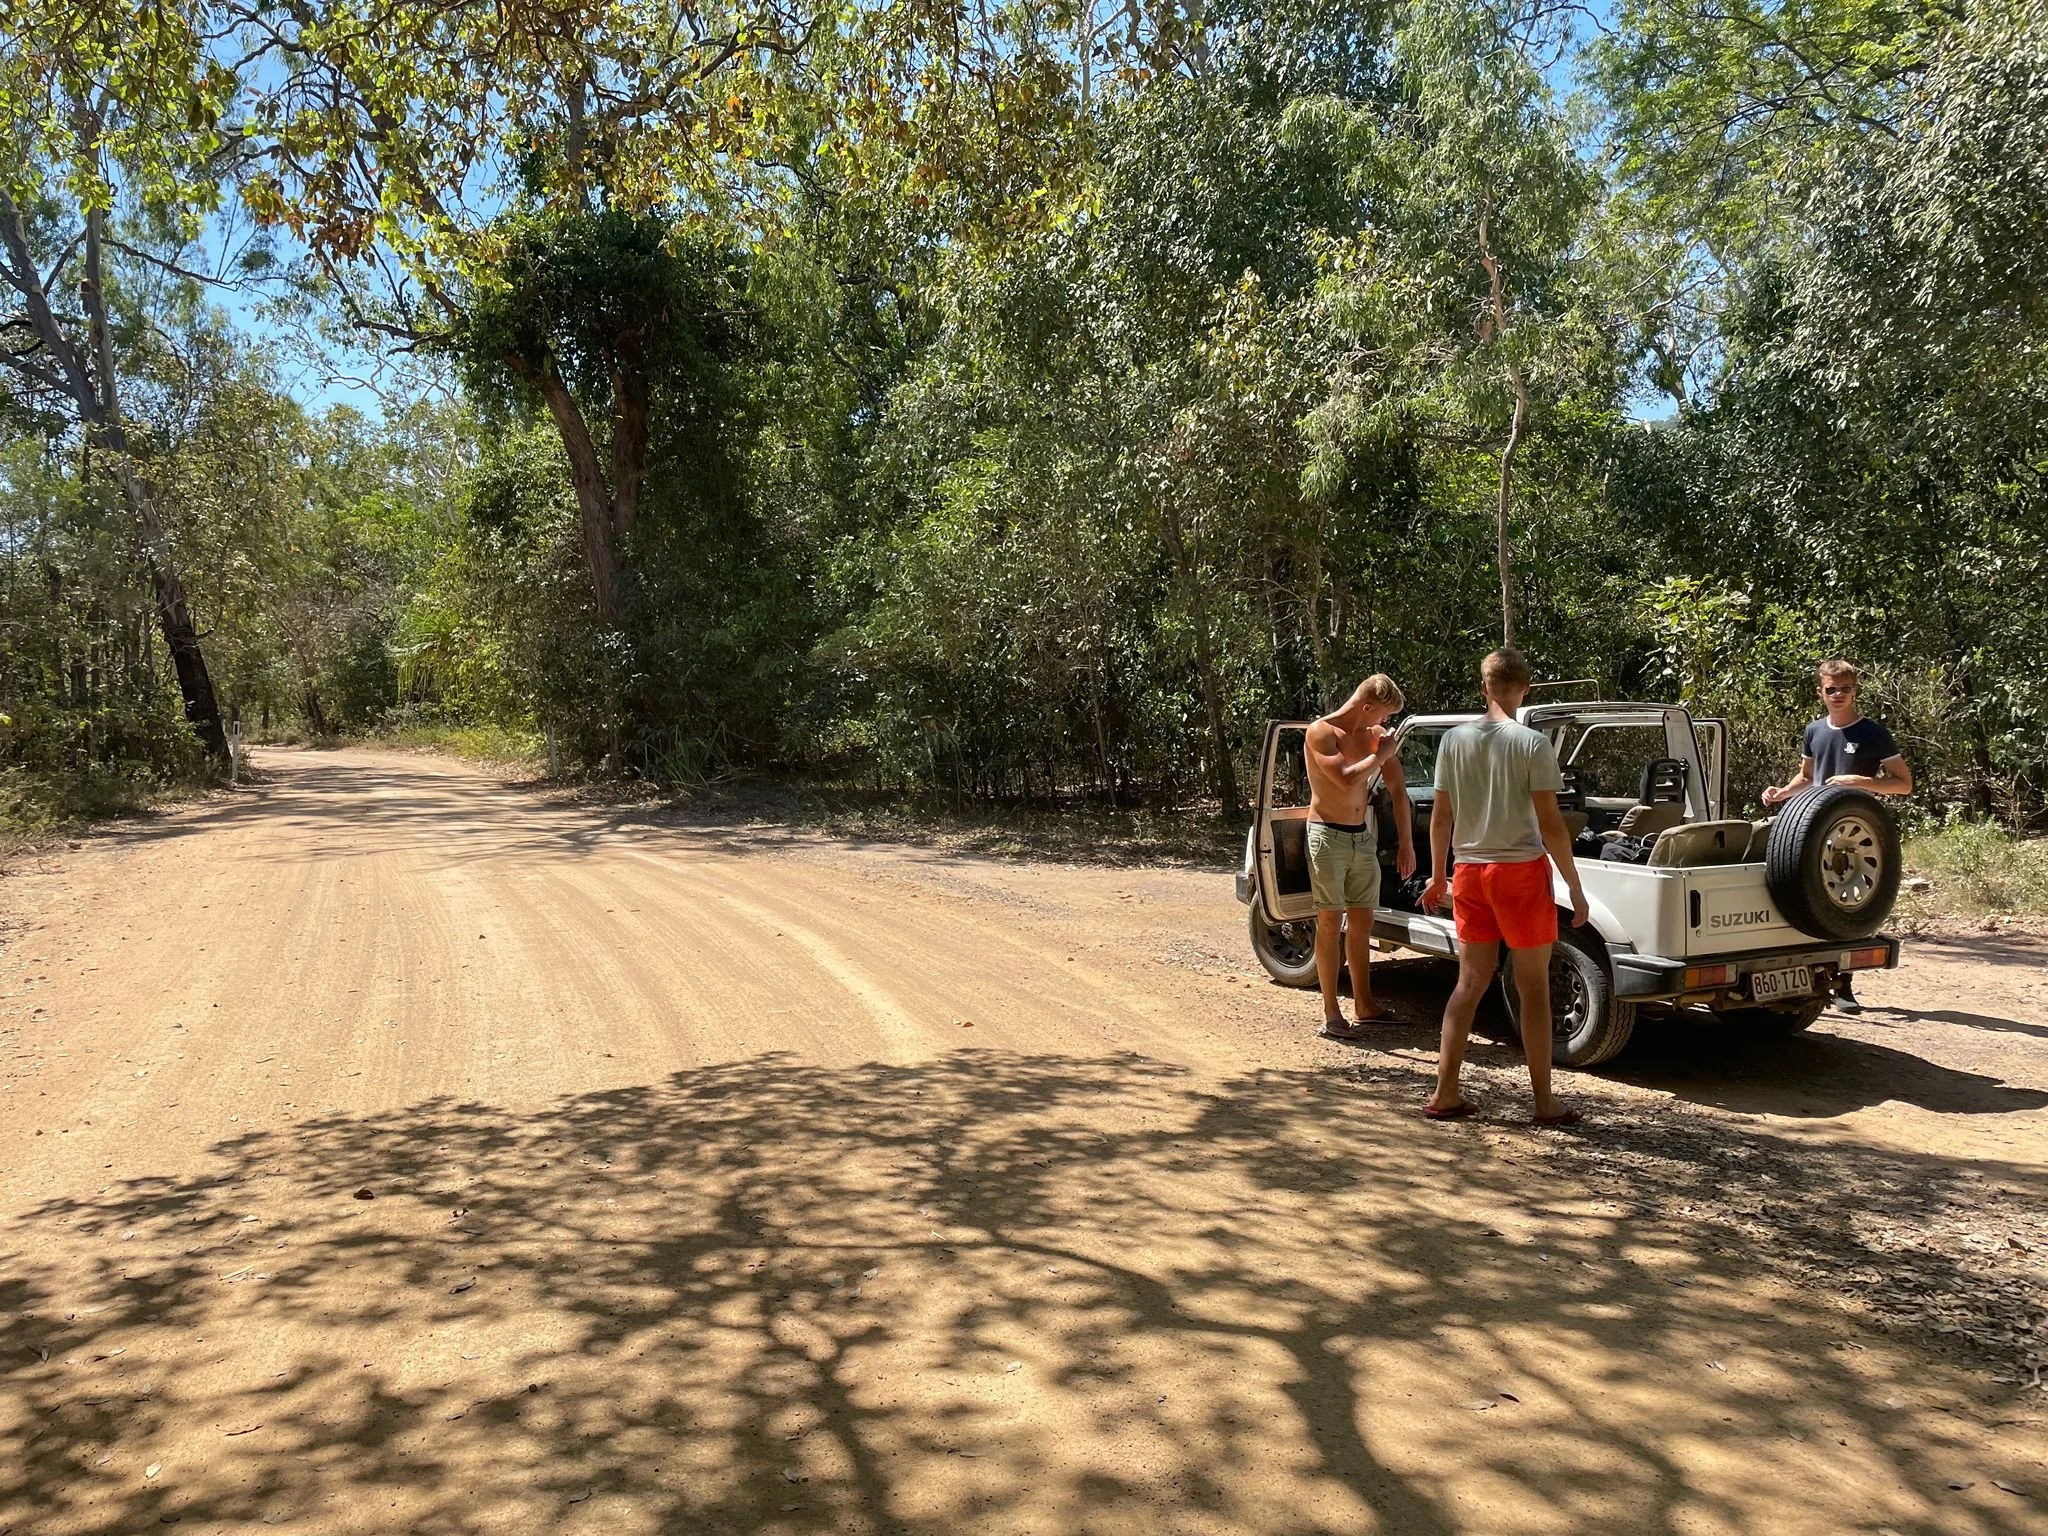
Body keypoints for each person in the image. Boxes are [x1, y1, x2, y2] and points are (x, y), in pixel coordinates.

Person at [1420, 648, 1588, 1125]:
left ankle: (1445, 1092)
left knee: (1469, 982)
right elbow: (1551, 824)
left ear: (1484, 687)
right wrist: (1574, 887)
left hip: (1470, 871)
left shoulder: (1454, 740)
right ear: (1525, 689)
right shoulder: (1532, 743)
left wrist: (1438, 877)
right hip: (1519, 872)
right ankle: (1543, 1102)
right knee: (1532, 987)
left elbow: (1441, 818)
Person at [1761, 659, 1913, 1012]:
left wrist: (1865, 783)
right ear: (1821, 692)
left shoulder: (1873, 733)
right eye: (1832, 689)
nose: (1839, 695)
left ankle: (1843, 987)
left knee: (1843, 907)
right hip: (1810, 831)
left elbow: (1903, 784)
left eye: (1845, 688)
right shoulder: (1814, 730)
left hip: (1853, 835)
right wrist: (1781, 792)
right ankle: (1797, 982)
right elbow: (1806, 778)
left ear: (1854, 690)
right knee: (1800, 903)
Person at [1303, 674, 1417, 1039]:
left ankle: (1365, 1006)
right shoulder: (1321, 732)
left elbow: (1399, 791)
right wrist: (1380, 754)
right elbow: (1345, 779)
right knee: (1329, 922)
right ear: (1367, 707)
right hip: (1326, 835)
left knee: (1363, 921)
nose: (1383, 724)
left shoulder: (1373, 737)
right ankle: (1332, 1015)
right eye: (1382, 715)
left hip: (1360, 837)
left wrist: (1406, 842)